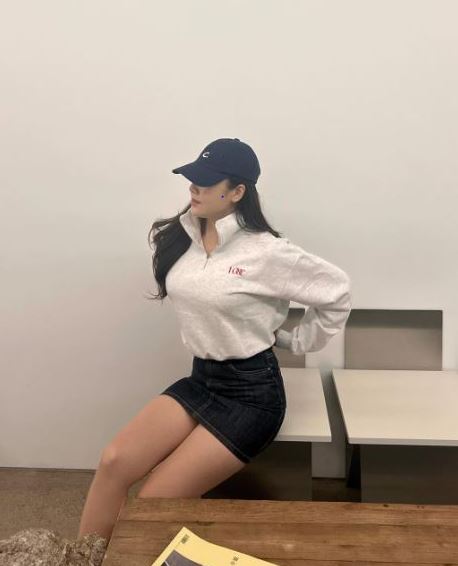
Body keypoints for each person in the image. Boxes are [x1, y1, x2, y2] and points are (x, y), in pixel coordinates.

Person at [77, 137, 352, 543]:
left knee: (154, 501)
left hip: (251, 395)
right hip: (201, 380)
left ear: (237, 192)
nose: (193, 188)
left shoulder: (266, 252)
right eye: (192, 178)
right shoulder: (182, 237)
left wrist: (295, 341)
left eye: (206, 182)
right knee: (114, 461)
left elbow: (337, 291)